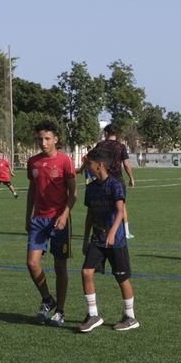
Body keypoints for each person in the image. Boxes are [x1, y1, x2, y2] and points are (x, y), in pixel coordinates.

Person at [78, 146, 137, 333]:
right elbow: (90, 215)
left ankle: (130, 317)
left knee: (122, 278)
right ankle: (93, 315)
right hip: (97, 238)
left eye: (89, 163)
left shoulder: (115, 185)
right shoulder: (91, 188)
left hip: (116, 240)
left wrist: (112, 233)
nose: (87, 167)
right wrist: (85, 239)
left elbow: (120, 212)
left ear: (100, 165)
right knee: (86, 272)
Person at [26, 122, 77, 326]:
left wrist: (64, 216)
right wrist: (28, 216)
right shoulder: (33, 162)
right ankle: (47, 299)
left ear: (56, 139)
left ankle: (60, 311)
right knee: (32, 263)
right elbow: (32, 190)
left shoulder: (65, 161)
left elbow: (73, 193)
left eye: (47, 139)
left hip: (58, 220)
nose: (43, 143)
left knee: (59, 266)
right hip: (38, 220)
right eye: (40, 139)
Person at [91, 123, 135, 238]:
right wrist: (131, 177)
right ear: (116, 133)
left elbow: (91, 159)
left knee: (101, 206)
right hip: (117, 181)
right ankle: (126, 232)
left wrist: (82, 170)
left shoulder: (100, 145)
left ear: (106, 133)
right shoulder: (121, 146)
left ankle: (102, 230)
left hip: (103, 180)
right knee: (121, 206)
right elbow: (126, 163)